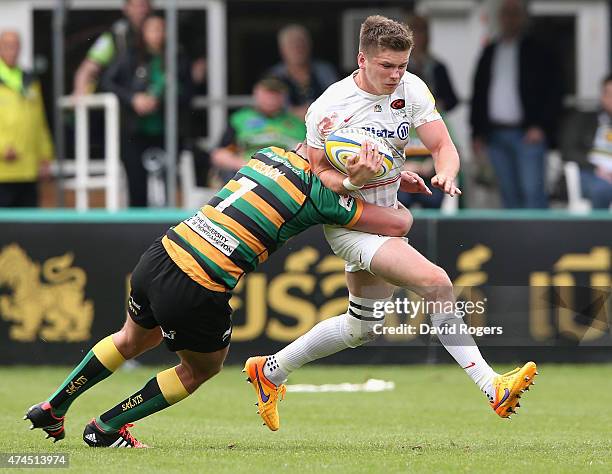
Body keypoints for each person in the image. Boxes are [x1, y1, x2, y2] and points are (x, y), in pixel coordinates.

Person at [245, 15, 537, 432]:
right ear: (362, 59)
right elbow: (318, 174)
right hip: (349, 222)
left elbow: (442, 144)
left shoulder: (411, 87)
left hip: (385, 211)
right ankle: (492, 386)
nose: (396, 75)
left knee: (361, 326)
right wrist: (353, 180)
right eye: (387, 66)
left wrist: (445, 171)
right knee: (436, 282)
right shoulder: (329, 108)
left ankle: (269, 371)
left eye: (402, 65)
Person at [23, 142, 419, 448]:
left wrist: (349, 180)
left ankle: (54, 406)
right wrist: (375, 184)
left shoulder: (268, 155)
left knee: (131, 339)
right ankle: (106, 427)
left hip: (162, 253)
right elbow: (398, 224)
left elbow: (316, 167)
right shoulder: (321, 198)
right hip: (198, 283)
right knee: (200, 369)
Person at [470, 0, 563, 209]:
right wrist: (477, 132)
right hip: (495, 135)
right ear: (499, 18)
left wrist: (541, 126)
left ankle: (539, 241)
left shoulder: (538, 50)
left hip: (528, 135)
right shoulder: (490, 51)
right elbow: (479, 93)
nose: (509, 19)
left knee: (533, 194)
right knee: (507, 195)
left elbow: (554, 91)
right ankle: (514, 242)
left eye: (514, 14)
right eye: (505, 14)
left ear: (523, 18)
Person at [102, 14, 193, 207]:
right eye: (151, 29)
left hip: (167, 131)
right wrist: (133, 98)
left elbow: (188, 92)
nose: (156, 34)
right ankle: (137, 232)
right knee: (136, 183)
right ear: (142, 33)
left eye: (161, 29)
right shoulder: (130, 55)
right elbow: (107, 82)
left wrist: (159, 101)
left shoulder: (177, 57)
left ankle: (168, 230)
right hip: (135, 131)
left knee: (169, 184)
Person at [398, 14, 459, 209]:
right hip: (403, 123)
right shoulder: (398, 67)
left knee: (435, 193)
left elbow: (452, 99)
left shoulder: (437, 66)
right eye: (413, 31)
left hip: (430, 120)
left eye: (421, 31)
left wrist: (435, 105)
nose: (417, 36)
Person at [211, 77, 306, 185]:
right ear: (256, 93)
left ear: (284, 97)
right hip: (246, 174)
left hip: (285, 178)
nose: (270, 99)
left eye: (275, 94)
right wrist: (246, 167)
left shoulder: (297, 123)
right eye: (267, 93)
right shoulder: (241, 119)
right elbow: (220, 154)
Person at [0, 30, 53, 207]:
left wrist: (46, 155)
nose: (12, 50)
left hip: (29, 169)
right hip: (3, 171)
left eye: (15, 46)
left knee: (27, 227)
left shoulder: (30, 80)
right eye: (7, 46)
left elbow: (39, 121)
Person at [73, 0, 151, 95]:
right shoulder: (115, 36)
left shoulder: (162, 33)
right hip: (119, 100)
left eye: (144, 5)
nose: (141, 11)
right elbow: (87, 69)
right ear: (126, 8)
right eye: (136, 6)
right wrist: (80, 94)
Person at [561, 73, 612, 209]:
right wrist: (597, 169)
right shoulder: (583, 119)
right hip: (590, 173)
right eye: (610, 94)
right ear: (602, 96)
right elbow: (568, 152)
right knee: (602, 189)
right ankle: (602, 230)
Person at [267, 24, 339, 119]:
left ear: (309, 46)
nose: (297, 49)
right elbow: (273, 108)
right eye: (291, 45)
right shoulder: (274, 75)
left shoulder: (325, 71)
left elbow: (338, 101)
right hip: (288, 129)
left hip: (324, 125)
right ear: (282, 49)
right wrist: (295, 113)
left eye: (301, 44)